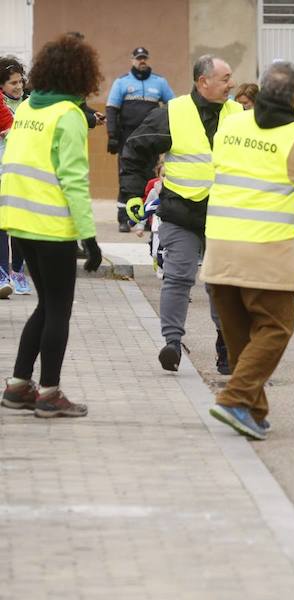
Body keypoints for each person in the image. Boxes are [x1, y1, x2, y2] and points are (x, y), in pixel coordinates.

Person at [201, 61, 294, 440]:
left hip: (219, 247)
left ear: (261, 89)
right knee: (276, 328)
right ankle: (233, 399)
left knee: (240, 338)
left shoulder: (230, 125)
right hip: (265, 250)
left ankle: (252, 410)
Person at [0, 34, 104, 417]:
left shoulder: (27, 107)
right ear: (81, 75)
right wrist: (89, 237)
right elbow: (74, 179)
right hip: (51, 225)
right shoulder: (69, 115)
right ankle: (49, 393)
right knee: (59, 308)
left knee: (46, 304)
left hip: (18, 220)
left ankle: (17, 386)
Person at [118, 54, 243, 372]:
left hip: (223, 215)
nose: (232, 84)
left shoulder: (239, 114)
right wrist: (132, 195)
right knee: (178, 277)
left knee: (223, 284)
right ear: (204, 81)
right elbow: (135, 149)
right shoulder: (173, 113)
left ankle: (226, 347)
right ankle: (172, 344)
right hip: (181, 211)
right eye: (226, 78)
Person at [106, 47, 175, 232]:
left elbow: (173, 106)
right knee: (126, 178)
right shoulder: (122, 82)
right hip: (127, 140)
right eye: (138, 58)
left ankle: (145, 217)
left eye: (144, 58)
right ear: (132, 61)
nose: (141, 61)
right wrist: (112, 136)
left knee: (149, 178)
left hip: (150, 140)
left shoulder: (160, 82)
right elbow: (111, 109)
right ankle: (124, 218)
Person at [0, 55, 30, 296]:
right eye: (12, 83)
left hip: (25, 174)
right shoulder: (1, 105)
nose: (18, 86)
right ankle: (2, 274)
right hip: (2, 173)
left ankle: (18, 270)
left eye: (20, 81)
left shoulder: (31, 104)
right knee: (1, 227)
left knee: (20, 227)